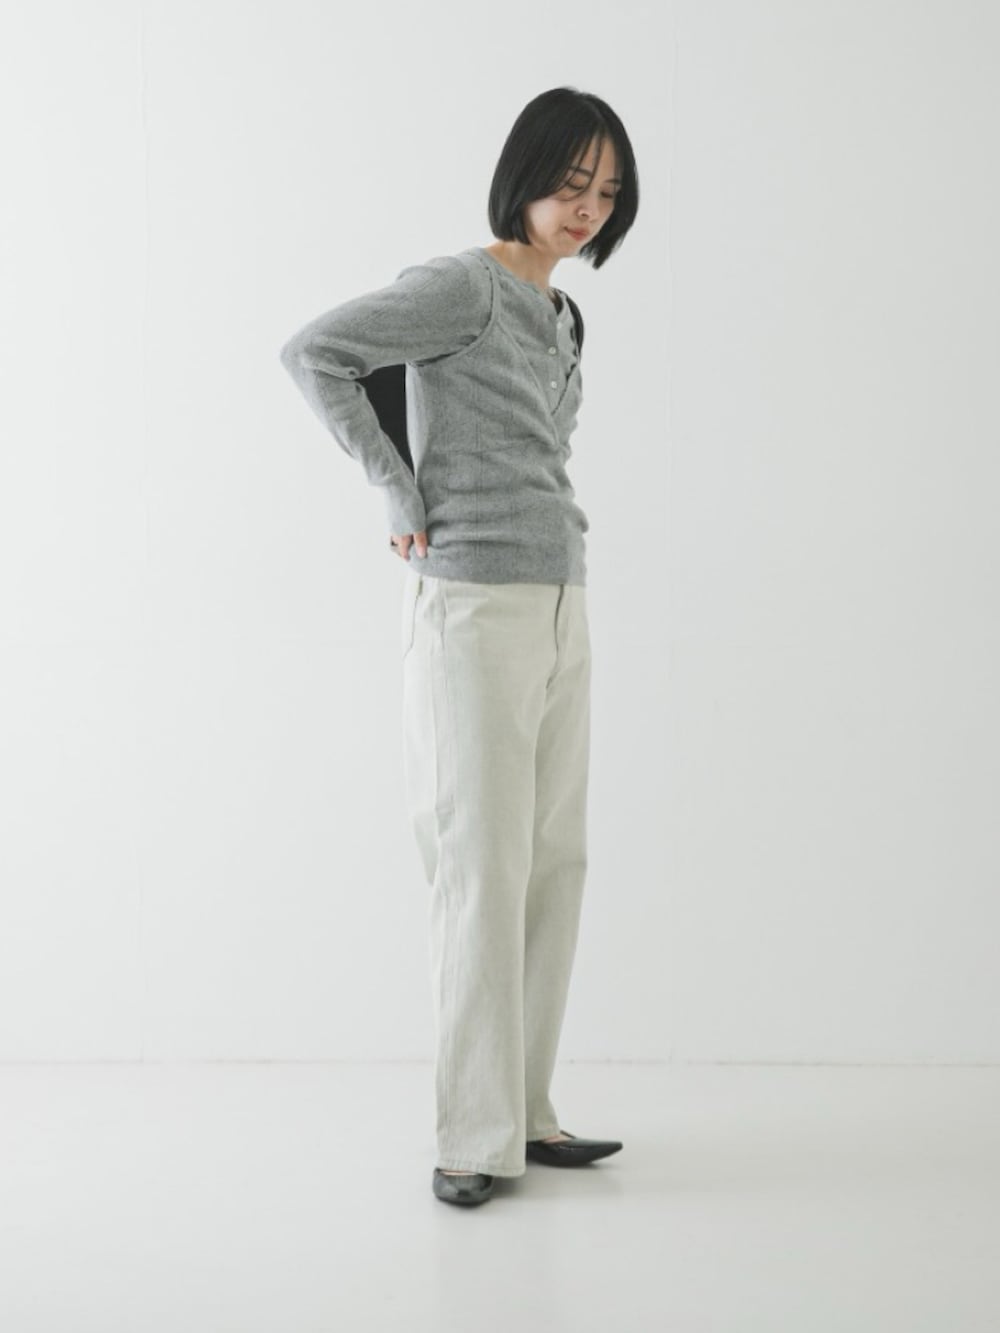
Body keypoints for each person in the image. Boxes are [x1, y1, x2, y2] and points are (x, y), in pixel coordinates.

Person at [279, 86, 639, 1206]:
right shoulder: (462, 287)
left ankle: (524, 1110)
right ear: (523, 175)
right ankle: (471, 1135)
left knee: (553, 862)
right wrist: (397, 486)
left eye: (606, 191)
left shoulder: (563, 315)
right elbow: (317, 352)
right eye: (570, 183)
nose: (586, 207)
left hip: (561, 597)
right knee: (481, 867)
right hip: (472, 600)